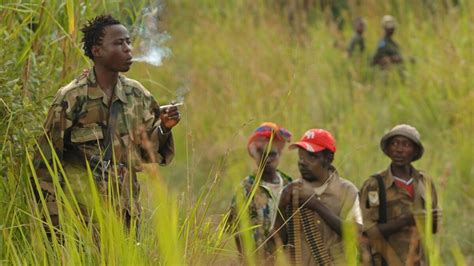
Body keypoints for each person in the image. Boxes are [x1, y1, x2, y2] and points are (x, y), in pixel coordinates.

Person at [32, 15, 180, 233]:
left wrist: (164, 127)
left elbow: (147, 153)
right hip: (80, 218)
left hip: (125, 218)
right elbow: (44, 164)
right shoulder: (71, 97)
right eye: (119, 43)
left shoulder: (137, 95)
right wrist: (52, 225)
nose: (128, 49)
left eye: (128, 42)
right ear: (97, 51)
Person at [274, 129, 363, 265]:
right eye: (300, 156)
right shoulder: (291, 191)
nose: (302, 162)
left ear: (328, 159)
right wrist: (282, 206)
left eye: (311, 157)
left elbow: (356, 234)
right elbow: (276, 244)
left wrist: (317, 206)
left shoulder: (348, 191)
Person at [360, 124, 440, 265]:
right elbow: (366, 231)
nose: (399, 149)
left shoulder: (424, 182)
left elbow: (433, 229)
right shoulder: (375, 185)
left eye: (406, 144)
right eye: (394, 144)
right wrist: (406, 221)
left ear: (415, 151)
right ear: (388, 150)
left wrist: (431, 220)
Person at [227, 122, 293, 262]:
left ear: (280, 154)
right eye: (263, 154)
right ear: (254, 155)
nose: (267, 159)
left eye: (272, 154)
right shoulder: (246, 188)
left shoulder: (289, 185)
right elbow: (236, 232)